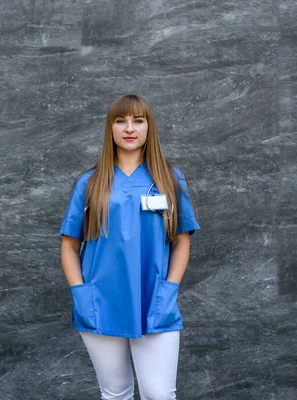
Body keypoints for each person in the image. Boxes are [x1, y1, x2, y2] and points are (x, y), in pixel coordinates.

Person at [59, 94, 200, 400]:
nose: (129, 128)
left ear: (150, 127)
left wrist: (169, 290)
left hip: (154, 300)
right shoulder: (90, 183)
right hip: (101, 302)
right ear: (110, 128)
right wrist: (81, 294)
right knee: (115, 394)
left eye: (138, 120)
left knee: (158, 394)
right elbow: (69, 245)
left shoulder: (169, 180)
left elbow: (182, 242)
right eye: (120, 121)